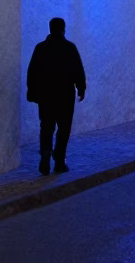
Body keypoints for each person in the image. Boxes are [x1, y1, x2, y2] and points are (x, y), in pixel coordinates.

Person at [26, 17, 86, 176]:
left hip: (45, 95)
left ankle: (45, 155)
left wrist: (32, 92)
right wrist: (81, 88)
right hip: (65, 94)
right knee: (64, 128)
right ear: (63, 29)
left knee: (46, 126)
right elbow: (78, 70)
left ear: (50, 28)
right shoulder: (69, 47)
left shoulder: (40, 48)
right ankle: (59, 161)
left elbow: (32, 72)